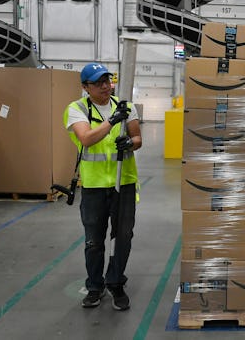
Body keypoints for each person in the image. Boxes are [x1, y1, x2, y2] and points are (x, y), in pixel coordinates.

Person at [63, 62, 142, 310]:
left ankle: (116, 283)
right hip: (95, 186)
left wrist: (129, 142)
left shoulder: (126, 107)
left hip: (124, 183)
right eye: (98, 83)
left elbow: (138, 139)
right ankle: (95, 286)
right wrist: (111, 121)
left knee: (123, 237)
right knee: (94, 241)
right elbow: (86, 138)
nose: (106, 86)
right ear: (86, 87)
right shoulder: (76, 109)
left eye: (107, 81)